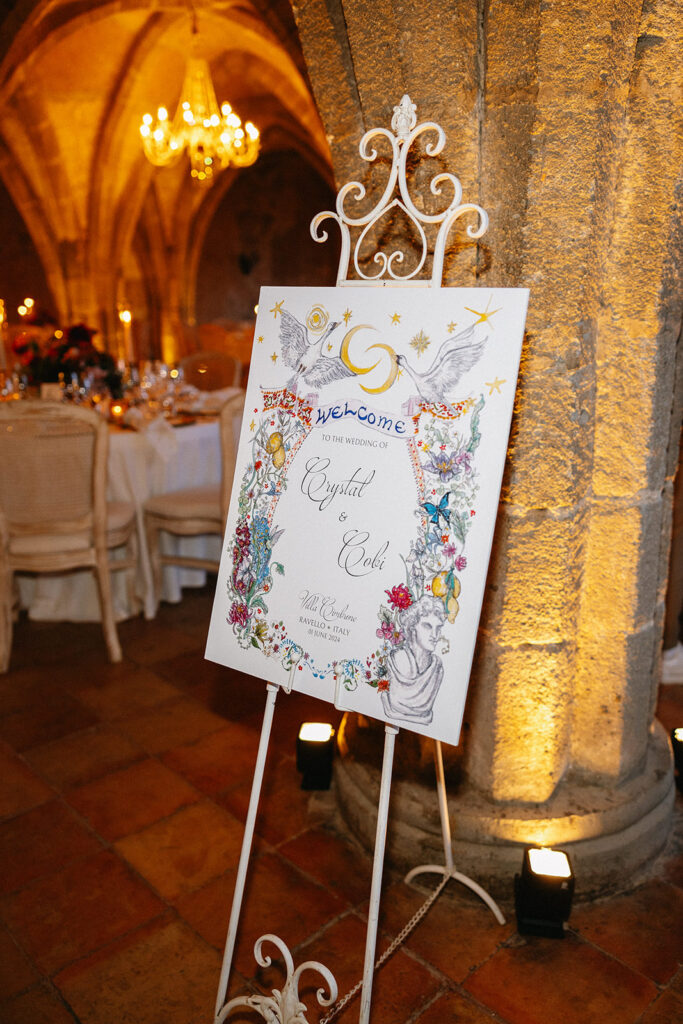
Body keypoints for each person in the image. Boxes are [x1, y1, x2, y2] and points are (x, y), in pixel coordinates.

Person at [381, 595, 446, 725]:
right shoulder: (398, 660)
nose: (435, 635)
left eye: (438, 628)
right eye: (427, 626)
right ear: (412, 627)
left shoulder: (437, 668)